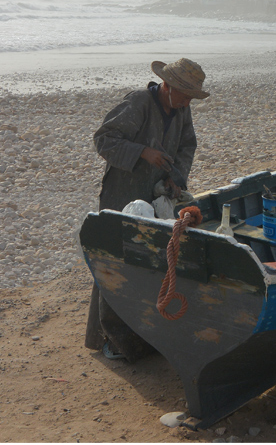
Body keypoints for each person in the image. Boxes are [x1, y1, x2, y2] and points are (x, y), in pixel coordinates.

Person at [85, 58, 210, 362]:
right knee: (114, 262)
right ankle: (112, 339)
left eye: (191, 98)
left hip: (154, 198)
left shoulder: (181, 109)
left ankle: (144, 334)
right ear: (167, 86)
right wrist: (143, 151)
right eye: (184, 95)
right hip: (121, 194)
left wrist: (175, 177)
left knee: (148, 262)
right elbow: (103, 139)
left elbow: (187, 146)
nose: (186, 102)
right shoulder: (139, 103)